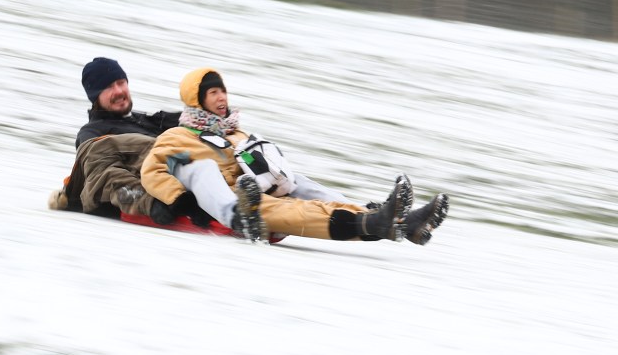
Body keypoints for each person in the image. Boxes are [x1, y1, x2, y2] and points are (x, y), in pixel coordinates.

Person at [141, 67, 450, 244]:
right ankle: (238, 215)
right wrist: (182, 201)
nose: (222, 98)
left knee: (304, 186)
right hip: (233, 199)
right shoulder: (177, 137)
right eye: (213, 93)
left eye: (223, 91)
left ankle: (395, 220)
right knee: (201, 170)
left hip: (259, 186)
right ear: (197, 101)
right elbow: (152, 172)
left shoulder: (236, 133)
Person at [49, 57, 261, 237]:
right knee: (199, 167)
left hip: (213, 170)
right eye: (109, 87)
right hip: (169, 191)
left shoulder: (151, 121)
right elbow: (106, 178)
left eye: (121, 83)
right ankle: (233, 211)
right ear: (94, 96)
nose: (119, 91)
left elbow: (202, 118)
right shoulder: (94, 135)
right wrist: (152, 204)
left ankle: (270, 190)